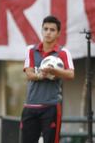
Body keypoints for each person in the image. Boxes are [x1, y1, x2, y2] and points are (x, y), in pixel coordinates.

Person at [21, 15, 75, 143]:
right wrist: (43, 74)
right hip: (30, 106)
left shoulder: (63, 53)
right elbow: (29, 74)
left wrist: (54, 71)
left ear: (58, 33)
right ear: (41, 30)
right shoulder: (31, 50)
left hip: (51, 106)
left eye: (52, 30)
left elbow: (70, 74)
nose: (48, 32)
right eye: (45, 29)